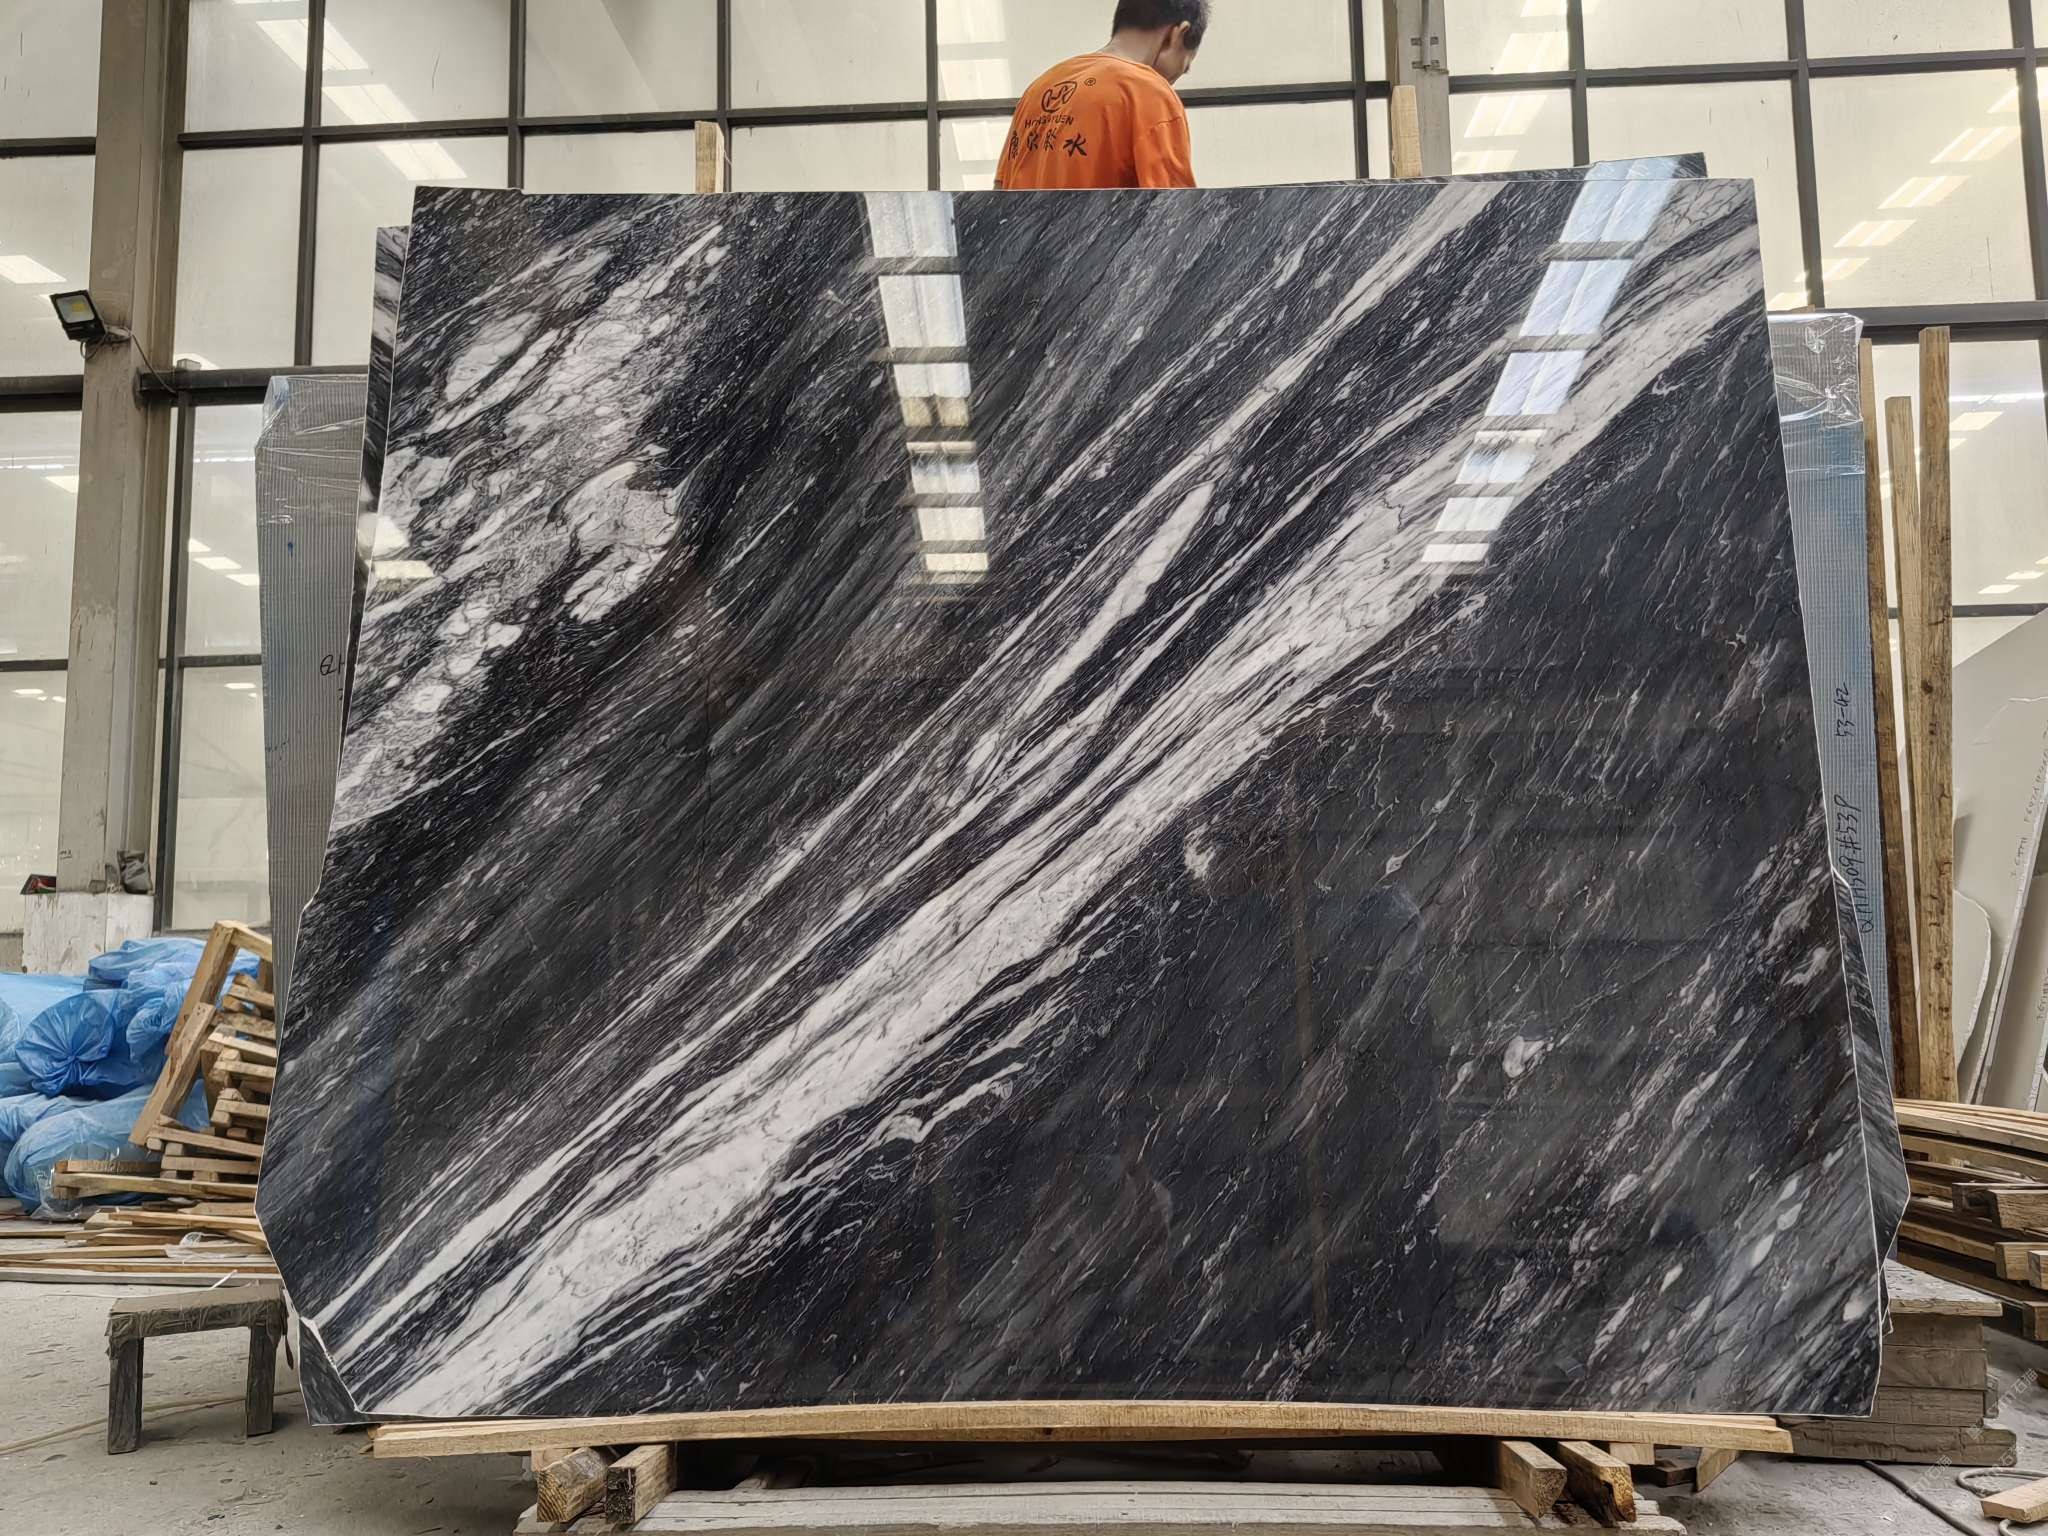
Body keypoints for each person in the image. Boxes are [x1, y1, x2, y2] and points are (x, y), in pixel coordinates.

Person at [994, 0, 1205, 191]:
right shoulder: (1150, 93)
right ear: (1178, 34)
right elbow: (1172, 210)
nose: (1176, 78)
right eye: (1185, 65)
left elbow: (998, 196)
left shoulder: (1038, 88)